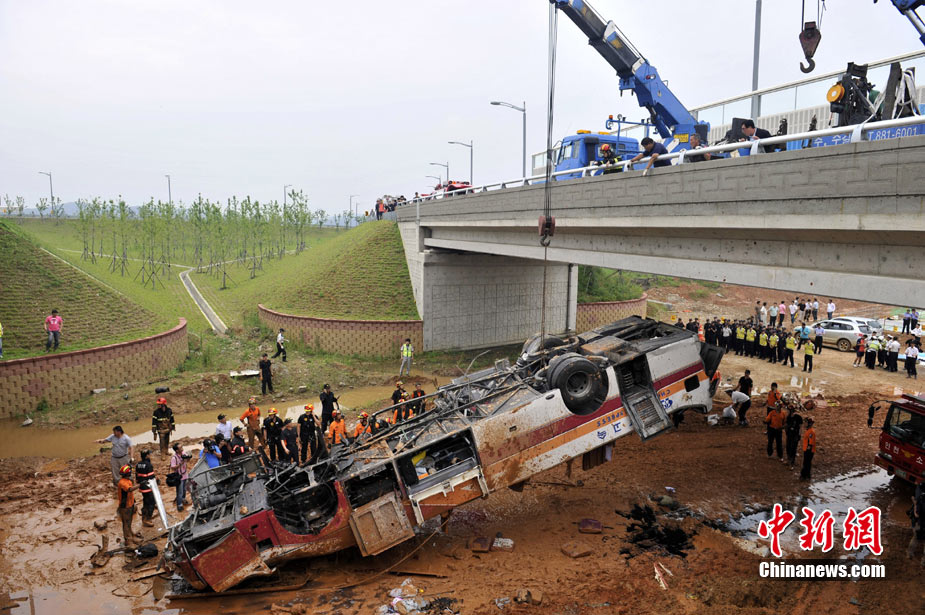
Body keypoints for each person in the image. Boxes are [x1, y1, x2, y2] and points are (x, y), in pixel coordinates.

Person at [115, 464, 138, 547]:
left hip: (130, 504)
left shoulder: (128, 481)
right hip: (125, 506)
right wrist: (140, 485)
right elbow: (129, 489)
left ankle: (131, 535)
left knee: (129, 522)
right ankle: (128, 541)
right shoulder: (122, 483)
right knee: (126, 523)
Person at [135, 451, 156, 528]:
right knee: (151, 503)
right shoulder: (148, 465)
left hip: (142, 487)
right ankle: (147, 519)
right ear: (147, 456)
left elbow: (136, 476)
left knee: (145, 501)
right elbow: (151, 477)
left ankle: (144, 517)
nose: (150, 455)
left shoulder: (138, 464)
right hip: (148, 487)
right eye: (149, 454)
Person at [169, 443, 190, 512]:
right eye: (180, 447)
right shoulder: (174, 458)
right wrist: (180, 464)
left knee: (184, 489)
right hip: (179, 476)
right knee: (179, 491)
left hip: (185, 474)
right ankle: (179, 505)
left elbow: (188, 460)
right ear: (177, 450)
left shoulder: (184, 453)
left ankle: (183, 499)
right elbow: (172, 467)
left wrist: (188, 458)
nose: (182, 448)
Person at [908, 484, 925, 566]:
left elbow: (917, 514)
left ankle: (909, 554)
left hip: (919, 523)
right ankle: (923, 562)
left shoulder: (921, 494)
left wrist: (915, 505)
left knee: (915, 538)